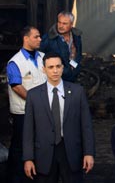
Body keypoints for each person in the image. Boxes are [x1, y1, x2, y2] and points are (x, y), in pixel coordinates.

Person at [23, 52, 95, 182]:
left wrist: (89, 153)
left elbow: (86, 125)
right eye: (50, 67)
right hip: (44, 154)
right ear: (43, 69)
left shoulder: (77, 91)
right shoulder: (33, 95)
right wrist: (28, 158)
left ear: (63, 67)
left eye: (58, 66)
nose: (55, 70)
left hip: (71, 151)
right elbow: (28, 130)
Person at [6, 26, 47, 183]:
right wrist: (36, 101)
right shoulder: (15, 62)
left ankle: (35, 175)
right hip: (22, 112)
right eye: (36, 37)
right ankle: (14, 177)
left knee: (39, 144)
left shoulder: (43, 57)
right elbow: (16, 86)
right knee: (20, 146)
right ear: (26, 38)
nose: (40, 39)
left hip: (42, 110)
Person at [40, 11, 82, 82]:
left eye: (64, 23)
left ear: (71, 24)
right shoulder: (48, 38)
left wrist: (76, 69)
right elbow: (40, 58)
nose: (61, 26)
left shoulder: (76, 36)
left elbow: (79, 54)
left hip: (73, 76)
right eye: (59, 22)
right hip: (56, 78)